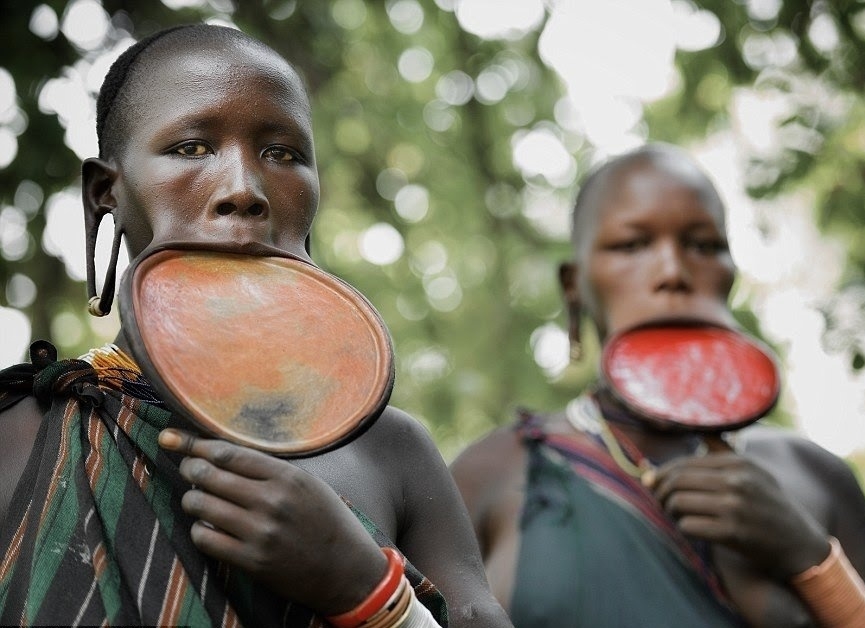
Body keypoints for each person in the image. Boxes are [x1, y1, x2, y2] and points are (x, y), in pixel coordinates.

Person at [0, 23, 512, 628]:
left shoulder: (390, 451)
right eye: (192, 147)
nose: (244, 190)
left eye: (282, 154)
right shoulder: (18, 433)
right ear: (104, 193)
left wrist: (367, 589)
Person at [450, 143, 865, 627]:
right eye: (631, 245)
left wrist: (809, 558)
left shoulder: (815, 478)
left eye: (704, 246)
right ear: (574, 284)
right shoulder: (492, 475)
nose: (673, 271)